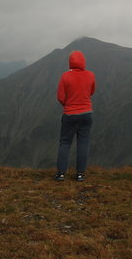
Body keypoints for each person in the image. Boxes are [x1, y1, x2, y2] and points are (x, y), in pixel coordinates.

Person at [55, 50, 96, 182]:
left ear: (70, 62)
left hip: (70, 114)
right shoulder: (90, 75)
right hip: (87, 114)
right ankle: (80, 174)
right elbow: (91, 91)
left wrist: (69, 105)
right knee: (83, 144)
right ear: (83, 61)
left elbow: (60, 97)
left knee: (65, 143)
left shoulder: (65, 76)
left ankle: (61, 173)